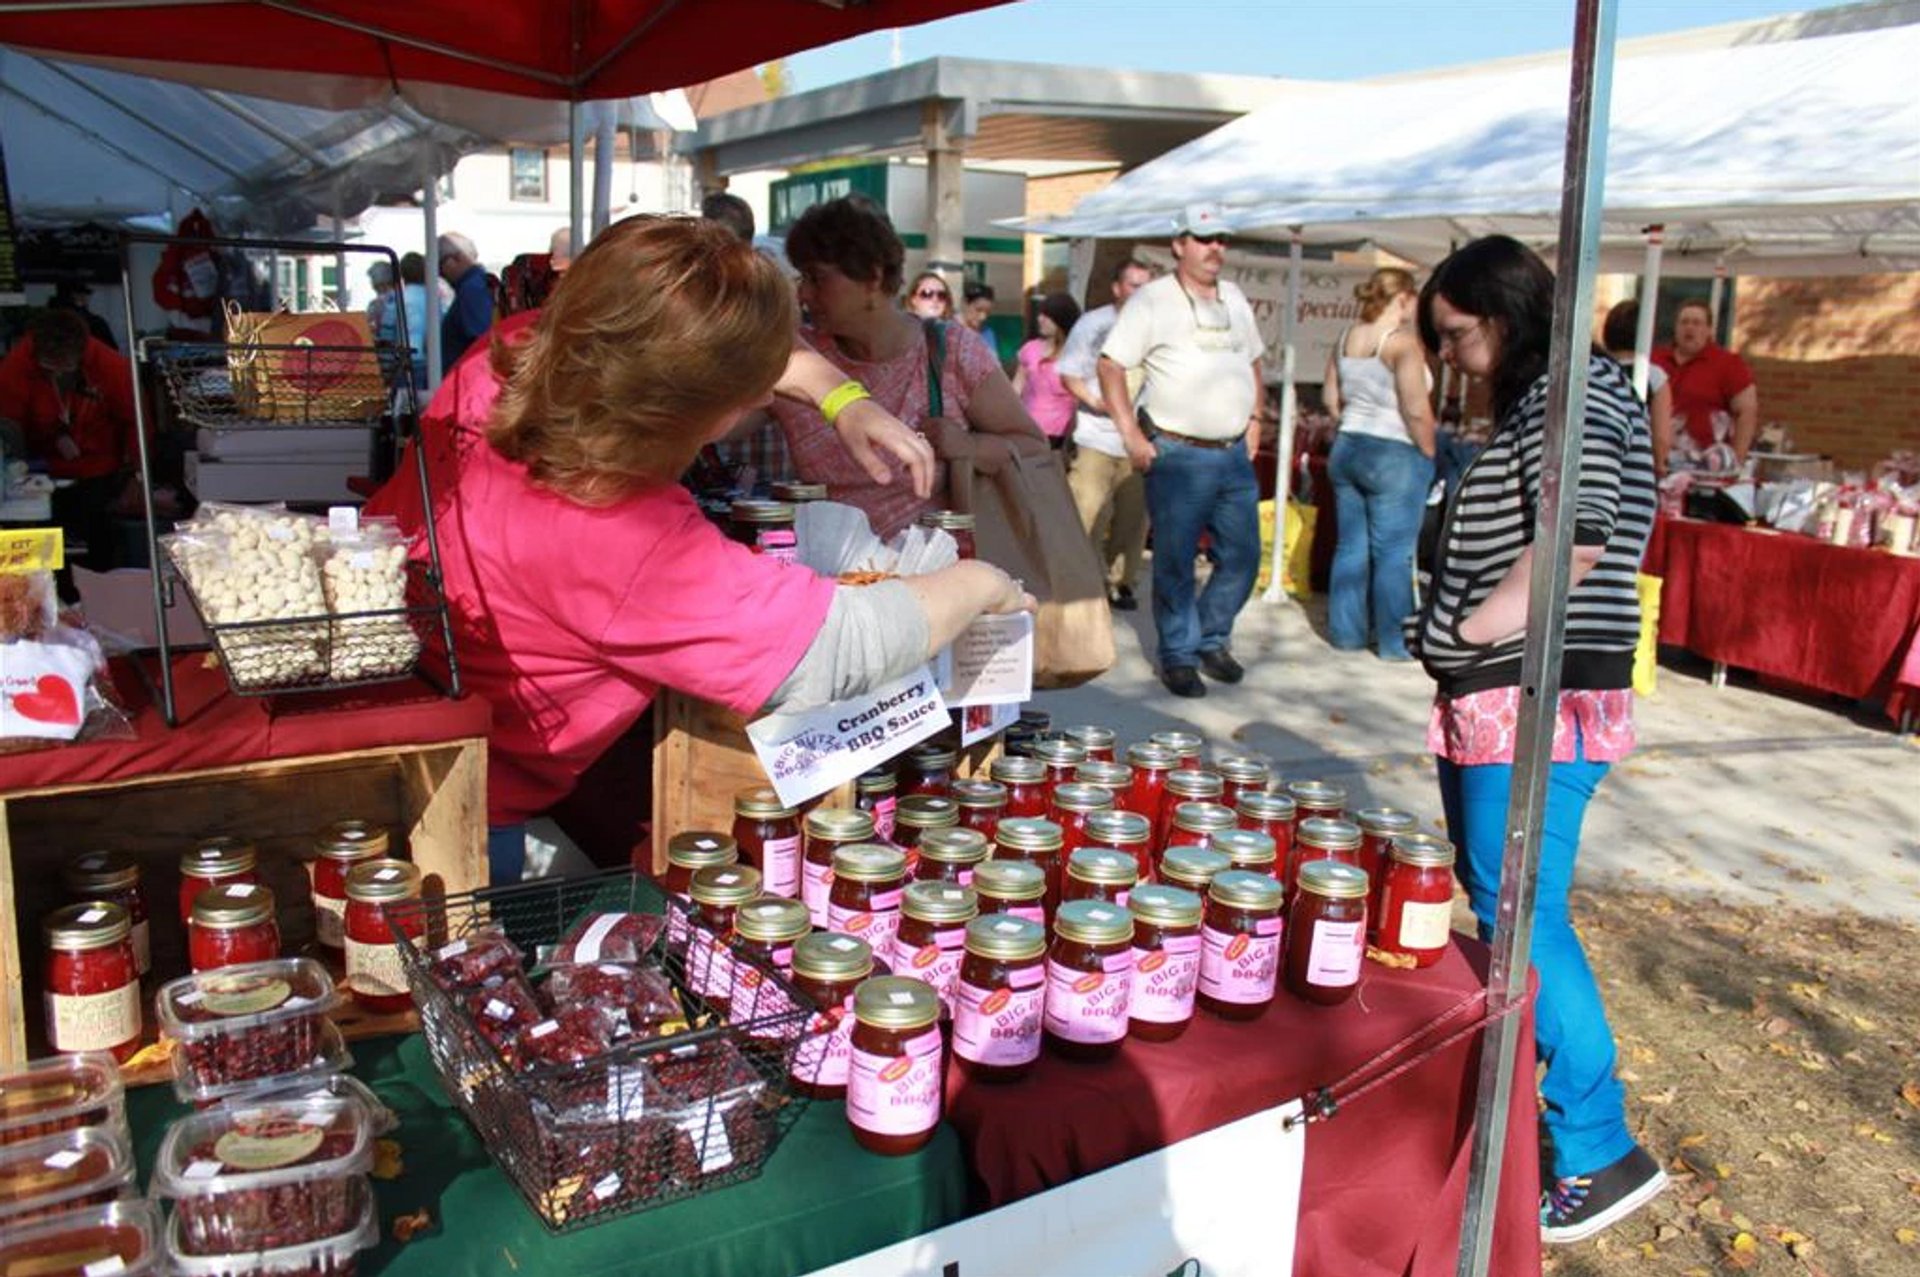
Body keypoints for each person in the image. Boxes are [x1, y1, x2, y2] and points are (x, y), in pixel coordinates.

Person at [366, 216, 1031, 883]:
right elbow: (843, 643)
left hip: (380, 720)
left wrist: (843, 398)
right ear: (700, 413)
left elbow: (706, 345)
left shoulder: (512, 355)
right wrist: (980, 582)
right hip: (469, 812)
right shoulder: (627, 539)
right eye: (753, 391)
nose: (770, 391)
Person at [1410, 235, 1662, 1245]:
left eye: (1456, 333)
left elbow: (1577, 535)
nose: (1450, 356)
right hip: (1511, 693)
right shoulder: (1552, 396)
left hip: (1536, 695)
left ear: (1506, 313)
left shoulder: (1576, 391)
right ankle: (1554, 1119)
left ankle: (1599, 1144)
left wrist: (1469, 631)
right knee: (1507, 902)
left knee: (1522, 914)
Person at [768, 196, 1046, 538]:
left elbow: (1032, 445)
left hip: (936, 563)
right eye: (802, 279)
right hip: (824, 563)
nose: (804, 294)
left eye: (817, 278)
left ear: (872, 277)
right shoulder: (800, 358)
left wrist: (968, 447)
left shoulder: (950, 352)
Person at [1097, 204, 1265, 698]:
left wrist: (1256, 418)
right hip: (1178, 452)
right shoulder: (1152, 300)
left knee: (1243, 556)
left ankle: (1210, 637)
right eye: (1204, 238)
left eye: (1221, 239)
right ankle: (1178, 653)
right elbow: (1110, 365)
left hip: (1232, 452)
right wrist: (1130, 434)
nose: (1215, 248)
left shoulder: (1234, 297)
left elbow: (1254, 361)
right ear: (1179, 244)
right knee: (1175, 560)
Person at [1322, 268, 1437, 662]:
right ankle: (1394, 642)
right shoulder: (1402, 343)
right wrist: (1429, 451)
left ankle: (1346, 633)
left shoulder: (1346, 337)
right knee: (1393, 551)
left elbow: (1331, 398)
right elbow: (1415, 407)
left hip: (1348, 444)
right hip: (1393, 450)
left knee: (1350, 546)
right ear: (1403, 298)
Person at [0, 310, 144, 570]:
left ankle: (97, 581)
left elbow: (137, 422)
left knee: (97, 545)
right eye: (49, 367)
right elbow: (8, 425)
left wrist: (137, 474)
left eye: (63, 366)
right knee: (41, 547)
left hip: (97, 468)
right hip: (38, 472)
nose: (57, 373)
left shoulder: (111, 367)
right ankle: (49, 586)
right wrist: (15, 469)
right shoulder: (17, 365)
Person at [1061, 259, 1154, 610]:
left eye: (1146, 286)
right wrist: (1096, 402)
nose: (1140, 293)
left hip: (1139, 437)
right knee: (1087, 511)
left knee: (1133, 517)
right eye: (1134, 285)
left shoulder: (1156, 327)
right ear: (1117, 288)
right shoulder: (1093, 324)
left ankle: (1121, 582)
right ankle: (1080, 582)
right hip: (1095, 436)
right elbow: (1069, 374)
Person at [1651, 298, 1757, 466]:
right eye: (1684, 322)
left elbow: (1746, 411)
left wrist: (1736, 460)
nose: (1689, 328)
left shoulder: (1728, 364)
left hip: (1705, 464)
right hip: (1655, 457)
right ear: (1676, 328)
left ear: (1708, 330)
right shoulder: (1655, 359)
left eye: (1696, 323)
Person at [1601, 300, 1674, 478]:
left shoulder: (1596, 370)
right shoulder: (1654, 376)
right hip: (1637, 468)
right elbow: (1661, 436)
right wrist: (1660, 464)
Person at [1012, 293, 1081, 449]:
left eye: (1047, 316)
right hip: (1028, 430)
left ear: (1061, 319)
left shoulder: (1075, 355)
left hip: (1059, 435)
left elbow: (1079, 399)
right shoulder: (1030, 349)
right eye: (1040, 314)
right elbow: (1015, 389)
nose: (1040, 319)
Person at [437, 231, 495, 372]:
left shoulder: (471, 290)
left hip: (467, 377)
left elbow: (481, 341)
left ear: (456, 258)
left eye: (439, 264)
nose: (439, 273)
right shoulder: (476, 285)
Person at [48, 280, 117, 351]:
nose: (86, 298)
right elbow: (111, 352)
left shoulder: (46, 321)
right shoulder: (95, 323)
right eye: (84, 294)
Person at [961, 280, 1000, 362]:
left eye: (987, 312)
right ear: (965, 303)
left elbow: (994, 364)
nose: (983, 317)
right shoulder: (949, 330)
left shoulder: (987, 333)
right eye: (978, 310)